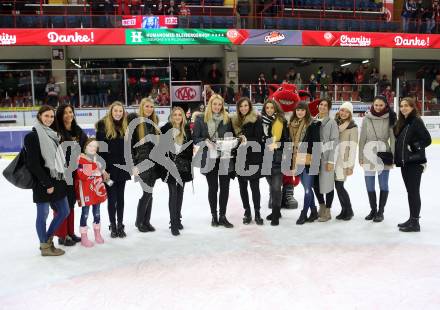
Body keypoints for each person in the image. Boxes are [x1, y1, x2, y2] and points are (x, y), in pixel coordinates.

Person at [24, 105, 70, 256]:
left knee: (64, 210)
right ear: (39, 116)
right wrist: (47, 184)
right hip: (42, 182)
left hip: (57, 178)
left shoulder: (53, 134)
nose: (49, 119)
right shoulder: (32, 136)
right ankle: (45, 247)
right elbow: (33, 164)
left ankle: (47, 239)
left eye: (51, 116)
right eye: (46, 116)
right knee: (42, 215)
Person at [193, 94, 235, 228]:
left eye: (219, 104)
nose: (217, 107)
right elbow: (196, 138)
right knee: (213, 188)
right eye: (214, 104)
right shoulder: (200, 119)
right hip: (209, 158)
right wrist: (205, 141)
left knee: (224, 188)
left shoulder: (228, 119)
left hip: (224, 158)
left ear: (222, 105)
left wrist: (228, 142)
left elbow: (232, 136)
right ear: (210, 105)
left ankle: (223, 216)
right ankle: (214, 216)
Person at [394, 97, 431, 232]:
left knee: (414, 192)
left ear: (412, 107)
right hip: (405, 162)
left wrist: (413, 146)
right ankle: (412, 218)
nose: (403, 108)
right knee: (410, 192)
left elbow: (427, 139)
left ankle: (415, 223)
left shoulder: (416, 121)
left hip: (415, 162)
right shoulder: (403, 121)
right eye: (402, 106)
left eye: (407, 106)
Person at [53, 104, 88, 246]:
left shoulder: (77, 130)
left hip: (74, 174)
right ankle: (62, 235)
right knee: (61, 205)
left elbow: (86, 146)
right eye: (65, 113)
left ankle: (70, 233)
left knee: (71, 203)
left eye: (70, 112)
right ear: (60, 116)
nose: (69, 115)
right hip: (60, 174)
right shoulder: (56, 131)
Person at [358, 96, 396, 222]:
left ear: (385, 105)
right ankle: (373, 210)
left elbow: (393, 139)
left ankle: (381, 211)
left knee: (383, 184)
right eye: (376, 105)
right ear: (372, 105)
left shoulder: (390, 118)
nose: (378, 107)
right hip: (368, 153)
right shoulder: (366, 118)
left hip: (384, 154)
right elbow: (362, 138)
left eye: (381, 105)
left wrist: (394, 156)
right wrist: (361, 157)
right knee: (369, 185)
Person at [95, 101, 130, 238]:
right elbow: (101, 153)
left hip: (122, 167)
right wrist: (103, 170)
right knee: (112, 199)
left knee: (121, 198)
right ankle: (113, 225)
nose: (118, 113)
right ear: (111, 112)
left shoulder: (125, 127)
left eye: (120, 111)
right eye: (115, 111)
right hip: (109, 169)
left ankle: (120, 224)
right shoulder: (103, 128)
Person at [160, 107, 194, 236]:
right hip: (170, 167)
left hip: (183, 167)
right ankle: (173, 223)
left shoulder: (186, 129)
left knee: (180, 194)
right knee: (173, 194)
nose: (178, 117)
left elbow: (189, 149)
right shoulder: (165, 129)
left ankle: (177, 219)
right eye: (175, 114)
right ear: (172, 116)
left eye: (180, 114)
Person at [129, 98, 161, 233]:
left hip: (153, 163)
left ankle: (146, 221)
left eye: (151, 107)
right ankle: (139, 221)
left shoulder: (153, 123)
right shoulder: (136, 123)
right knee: (147, 192)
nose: (149, 109)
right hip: (141, 162)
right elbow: (129, 145)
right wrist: (133, 165)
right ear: (142, 107)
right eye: (147, 106)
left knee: (150, 193)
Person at [232, 97, 264, 225]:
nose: (243, 108)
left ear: (249, 106)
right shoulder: (235, 121)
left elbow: (258, 138)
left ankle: (257, 213)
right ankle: (247, 212)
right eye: (241, 106)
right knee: (242, 187)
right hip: (240, 158)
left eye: (246, 106)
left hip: (253, 157)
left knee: (255, 187)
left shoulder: (256, 119)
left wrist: (245, 139)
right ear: (238, 108)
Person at [289, 102, 321, 225]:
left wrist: (315, 164)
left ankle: (304, 213)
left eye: (302, 110)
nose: (300, 112)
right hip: (298, 160)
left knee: (307, 188)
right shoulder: (292, 124)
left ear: (306, 111)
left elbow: (317, 145)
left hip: (309, 161)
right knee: (306, 187)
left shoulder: (312, 125)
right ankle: (313, 211)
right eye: (298, 110)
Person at [261, 99, 290, 226]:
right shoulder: (261, 122)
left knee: (276, 187)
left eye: (271, 108)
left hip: (278, 159)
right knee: (271, 185)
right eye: (267, 108)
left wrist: (276, 144)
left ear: (275, 108)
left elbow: (287, 141)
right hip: (265, 159)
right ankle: (276, 212)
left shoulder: (281, 121)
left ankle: (276, 213)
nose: (269, 110)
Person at [74, 139, 108, 247]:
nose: (93, 148)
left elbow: (100, 174)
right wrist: (95, 166)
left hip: (96, 191)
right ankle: (84, 237)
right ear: (85, 146)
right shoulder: (81, 159)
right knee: (85, 213)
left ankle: (97, 233)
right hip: (86, 192)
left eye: (95, 147)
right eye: (90, 146)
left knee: (97, 212)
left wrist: (102, 171)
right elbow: (83, 175)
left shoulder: (97, 159)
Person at [314, 98, 339, 222]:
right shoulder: (313, 120)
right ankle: (321, 206)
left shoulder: (332, 123)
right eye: (321, 104)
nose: (323, 107)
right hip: (314, 158)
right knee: (315, 184)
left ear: (329, 108)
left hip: (326, 158)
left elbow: (334, 142)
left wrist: (330, 161)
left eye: (325, 105)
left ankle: (328, 211)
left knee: (328, 185)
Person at [334, 102, 358, 221]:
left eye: (347, 111)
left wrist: (350, 166)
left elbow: (353, 148)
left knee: (340, 186)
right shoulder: (335, 124)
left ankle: (349, 210)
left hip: (343, 162)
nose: (343, 113)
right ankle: (344, 210)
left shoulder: (352, 127)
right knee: (337, 186)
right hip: (333, 160)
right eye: (342, 110)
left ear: (350, 114)